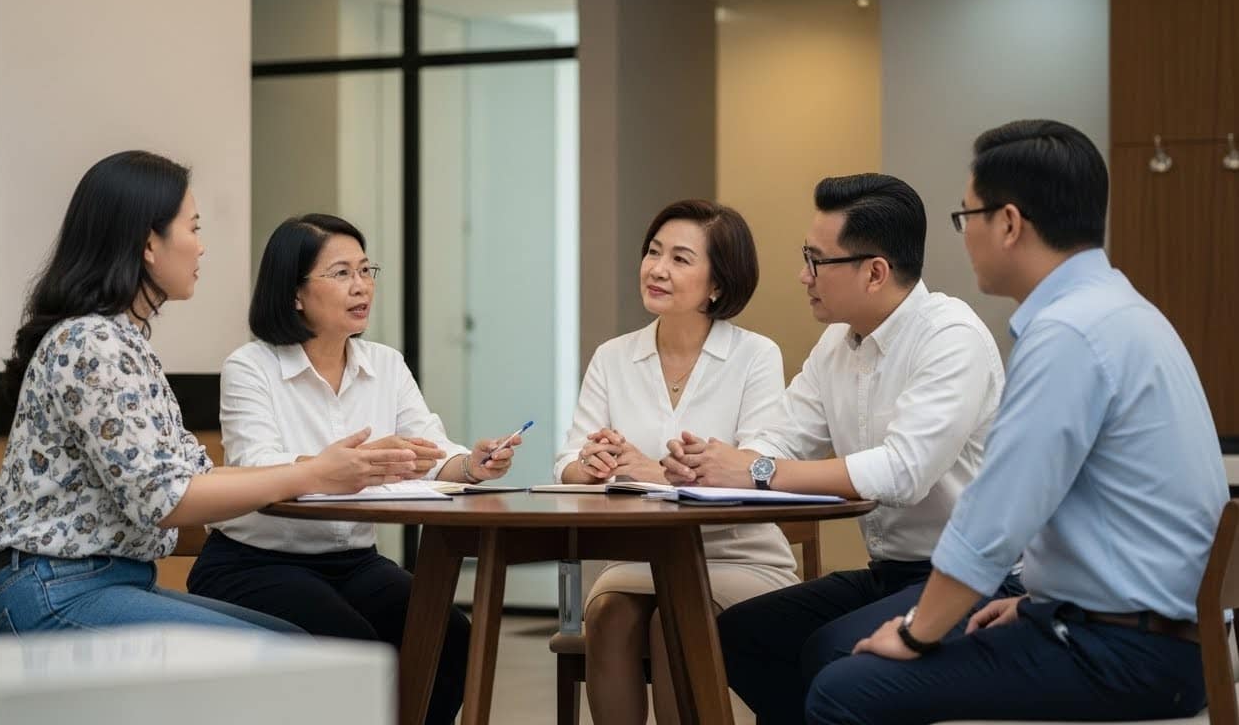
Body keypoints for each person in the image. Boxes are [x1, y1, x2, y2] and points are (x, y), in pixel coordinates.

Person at [808, 119, 1229, 724]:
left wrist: (917, 631)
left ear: (1008, 224)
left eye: (966, 217)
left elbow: (996, 515)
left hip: (1126, 653)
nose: (965, 238)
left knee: (844, 689)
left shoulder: (1067, 334)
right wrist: (1040, 604)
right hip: (1145, 634)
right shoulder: (1120, 311)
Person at [0, 151, 419, 635]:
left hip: (108, 583)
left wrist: (319, 471)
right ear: (150, 244)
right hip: (60, 591)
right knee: (298, 651)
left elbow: (194, 477)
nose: (202, 247)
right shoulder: (93, 342)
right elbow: (165, 499)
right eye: (193, 228)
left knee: (304, 642)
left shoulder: (121, 341)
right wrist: (314, 473)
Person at [662, 173, 1014, 723]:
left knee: (830, 653)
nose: (803, 275)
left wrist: (756, 470)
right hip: (891, 573)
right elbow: (781, 435)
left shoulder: (951, 338)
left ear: (875, 272)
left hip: (971, 580)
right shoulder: (837, 343)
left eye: (816, 261)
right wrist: (714, 463)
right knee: (739, 634)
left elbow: (902, 473)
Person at [185, 213, 521, 725]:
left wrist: (471, 464)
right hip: (254, 563)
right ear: (295, 293)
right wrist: (342, 466)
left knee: (451, 639)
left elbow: (429, 451)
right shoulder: (251, 367)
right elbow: (256, 468)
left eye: (366, 270)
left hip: (354, 563)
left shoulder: (385, 364)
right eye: (341, 273)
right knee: (357, 649)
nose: (361, 286)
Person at [554, 199, 799, 725]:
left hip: (737, 557)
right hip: (637, 556)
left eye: (680, 259)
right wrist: (590, 465)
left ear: (718, 284)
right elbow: (568, 460)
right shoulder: (613, 356)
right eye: (653, 252)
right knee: (608, 616)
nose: (657, 268)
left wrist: (654, 472)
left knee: (674, 624)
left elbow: (762, 461)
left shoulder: (755, 355)